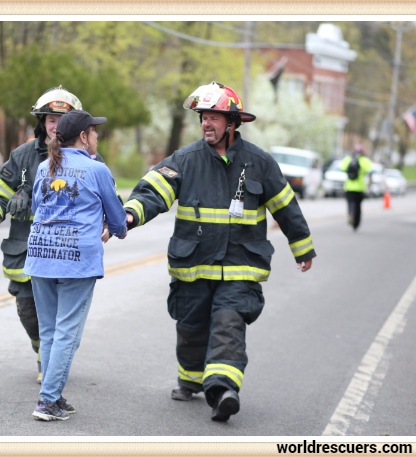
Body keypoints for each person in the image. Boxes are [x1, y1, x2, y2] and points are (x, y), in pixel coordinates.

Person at [123, 82, 316, 422]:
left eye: (213, 117)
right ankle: (190, 379)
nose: (206, 124)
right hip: (193, 264)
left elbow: (286, 206)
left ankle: (222, 390)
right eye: (202, 118)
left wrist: (302, 247)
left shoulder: (259, 163)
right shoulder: (184, 159)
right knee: (191, 328)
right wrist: (130, 214)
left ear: (232, 122)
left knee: (228, 325)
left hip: (240, 266)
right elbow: (153, 190)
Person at [0, 86, 117, 384]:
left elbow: (104, 197)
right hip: (26, 251)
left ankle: (51, 367)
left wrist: (107, 222)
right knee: (29, 311)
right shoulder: (23, 155)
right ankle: (45, 351)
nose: (55, 124)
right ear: (42, 122)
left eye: (62, 118)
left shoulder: (91, 158)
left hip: (67, 253)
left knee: (62, 318)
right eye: (50, 118)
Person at [23, 110, 128, 421]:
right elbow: (119, 219)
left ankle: (52, 393)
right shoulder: (96, 170)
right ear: (83, 137)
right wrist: (114, 229)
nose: (97, 137)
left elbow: (36, 207)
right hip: (76, 260)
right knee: (68, 332)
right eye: (94, 132)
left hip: (41, 255)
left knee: (52, 331)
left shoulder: (44, 167)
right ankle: (47, 400)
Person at [340, 144, 374, 231]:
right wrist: (370, 182)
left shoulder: (348, 159)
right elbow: (371, 171)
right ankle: (356, 224)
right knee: (358, 206)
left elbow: (341, 168)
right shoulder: (365, 160)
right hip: (360, 188)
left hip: (349, 187)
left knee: (350, 203)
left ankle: (351, 212)